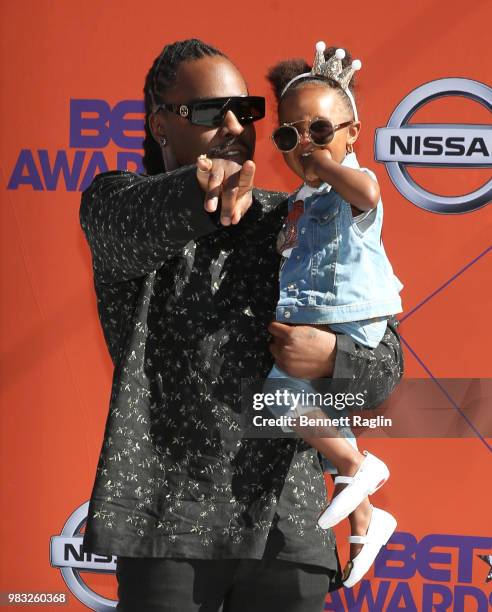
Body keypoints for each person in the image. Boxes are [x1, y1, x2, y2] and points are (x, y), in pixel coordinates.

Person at [79, 38, 403, 612]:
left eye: (247, 110)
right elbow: (129, 223)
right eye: (209, 112)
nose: (234, 124)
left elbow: (384, 373)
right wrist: (200, 192)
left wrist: (333, 358)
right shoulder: (116, 203)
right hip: (166, 525)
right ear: (160, 125)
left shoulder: (301, 217)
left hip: (289, 525)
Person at [263, 42, 402, 588]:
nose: (305, 146)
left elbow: (366, 192)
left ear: (352, 134)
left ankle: (357, 467)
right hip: (316, 318)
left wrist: (328, 164)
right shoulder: (299, 200)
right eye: (289, 135)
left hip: (351, 319)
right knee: (322, 416)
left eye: (320, 131)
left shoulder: (353, 182)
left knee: (278, 399)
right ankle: (368, 518)